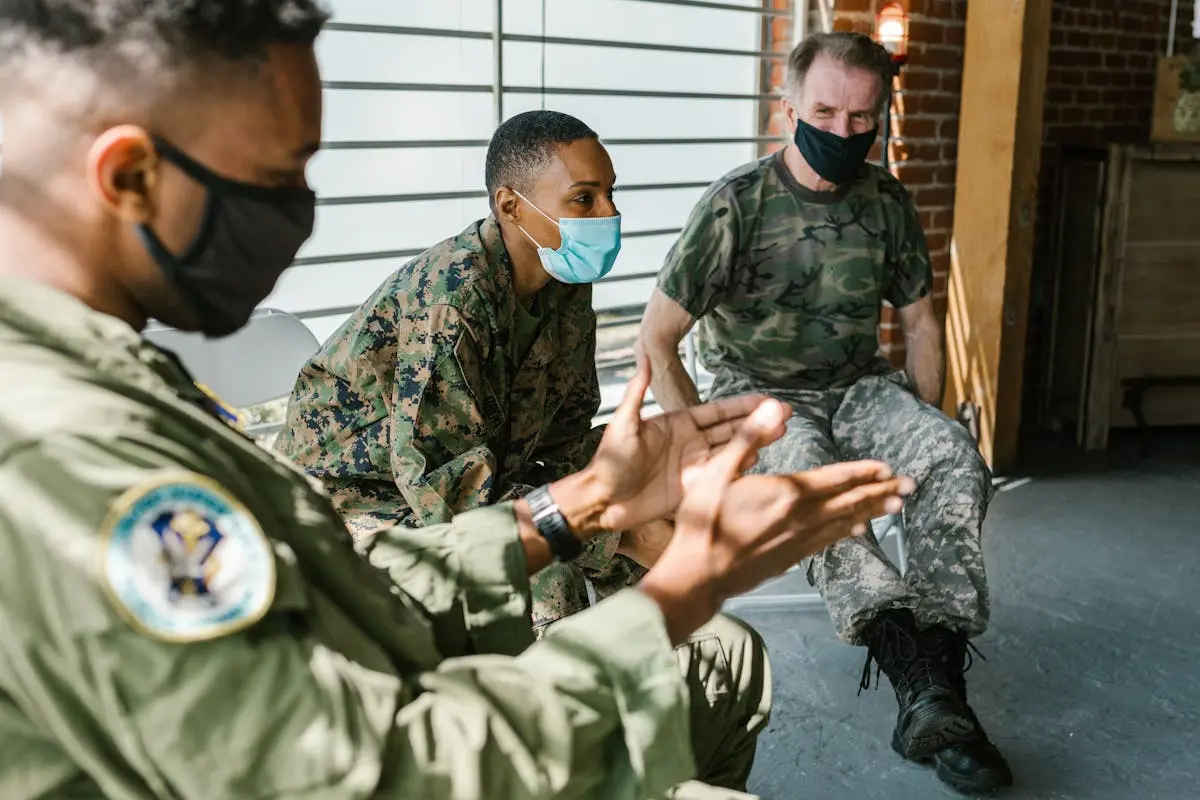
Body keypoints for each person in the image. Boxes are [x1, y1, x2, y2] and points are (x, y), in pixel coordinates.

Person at [0, 4, 914, 798]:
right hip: (391, 509)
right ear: (127, 177)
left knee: (719, 655)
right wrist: (670, 587)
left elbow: (360, 574)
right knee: (667, 638)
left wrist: (593, 498)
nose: (305, 215)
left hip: (453, 527)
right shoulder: (66, 461)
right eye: (279, 178)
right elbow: (363, 763)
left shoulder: (123, 380)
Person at [636, 31, 1012, 796]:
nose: (845, 131)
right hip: (759, 391)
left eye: (862, 116)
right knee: (815, 484)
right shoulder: (735, 205)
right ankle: (926, 687)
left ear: (882, 115)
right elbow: (657, 337)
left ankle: (935, 682)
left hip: (858, 385)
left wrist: (915, 432)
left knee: (952, 457)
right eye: (827, 111)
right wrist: (704, 444)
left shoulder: (887, 202)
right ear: (789, 110)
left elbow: (920, 325)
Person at [275, 109, 649, 636]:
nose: (609, 214)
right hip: (359, 498)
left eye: (611, 193)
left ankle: (647, 654)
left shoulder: (562, 280)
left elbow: (567, 429)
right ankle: (562, 700)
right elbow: (445, 491)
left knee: (639, 470)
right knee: (551, 565)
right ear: (512, 207)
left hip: (479, 471)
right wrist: (607, 533)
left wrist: (625, 495)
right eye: (584, 199)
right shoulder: (452, 299)